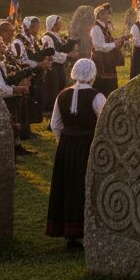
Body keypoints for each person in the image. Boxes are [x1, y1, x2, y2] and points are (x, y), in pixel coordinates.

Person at [45, 58, 104, 246]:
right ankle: (85, 230)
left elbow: (55, 125)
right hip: (88, 144)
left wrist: (62, 144)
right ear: (92, 74)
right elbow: (104, 123)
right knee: (86, 185)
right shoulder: (97, 96)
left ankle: (71, 232)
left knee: (69, 185)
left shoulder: (62, 95)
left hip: (67, 144)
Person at [40, 16, 72, 116]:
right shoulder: (47, 37)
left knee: (60, 85)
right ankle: (52, 109)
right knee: (53, 87)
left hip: (59, 65)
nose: (60, 24)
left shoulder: (56, 36)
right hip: (52, 66)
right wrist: (66, 55)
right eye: (58, 23)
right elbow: (51, 53)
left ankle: (60, 106)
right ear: (53, 25)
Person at [89, 3, 124, 94]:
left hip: (109, 60)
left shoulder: (106, 27)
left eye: (107, 13)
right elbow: (99, 46)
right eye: (103, 13)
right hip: (100, 60)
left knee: (111, 84)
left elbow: (109, 42)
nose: (106, 15)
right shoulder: (96, 28)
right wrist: (114, 44)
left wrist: (120, 41)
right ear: (98, 16)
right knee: (102, 84)